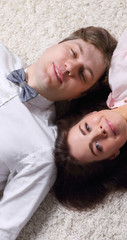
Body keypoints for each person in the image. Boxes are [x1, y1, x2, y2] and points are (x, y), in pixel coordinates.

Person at [0, 26, 117, 240]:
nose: (70, 66)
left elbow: (4, 229)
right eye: (72, 52)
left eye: (83, 74)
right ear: (58, 44)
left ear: (79, 95)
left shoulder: (42, 151)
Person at [54, 1, 127, 210]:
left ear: (89, 114)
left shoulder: (119, 70)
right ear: (112, 155)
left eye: (87, 128)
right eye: (97, 147)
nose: (99, 131)